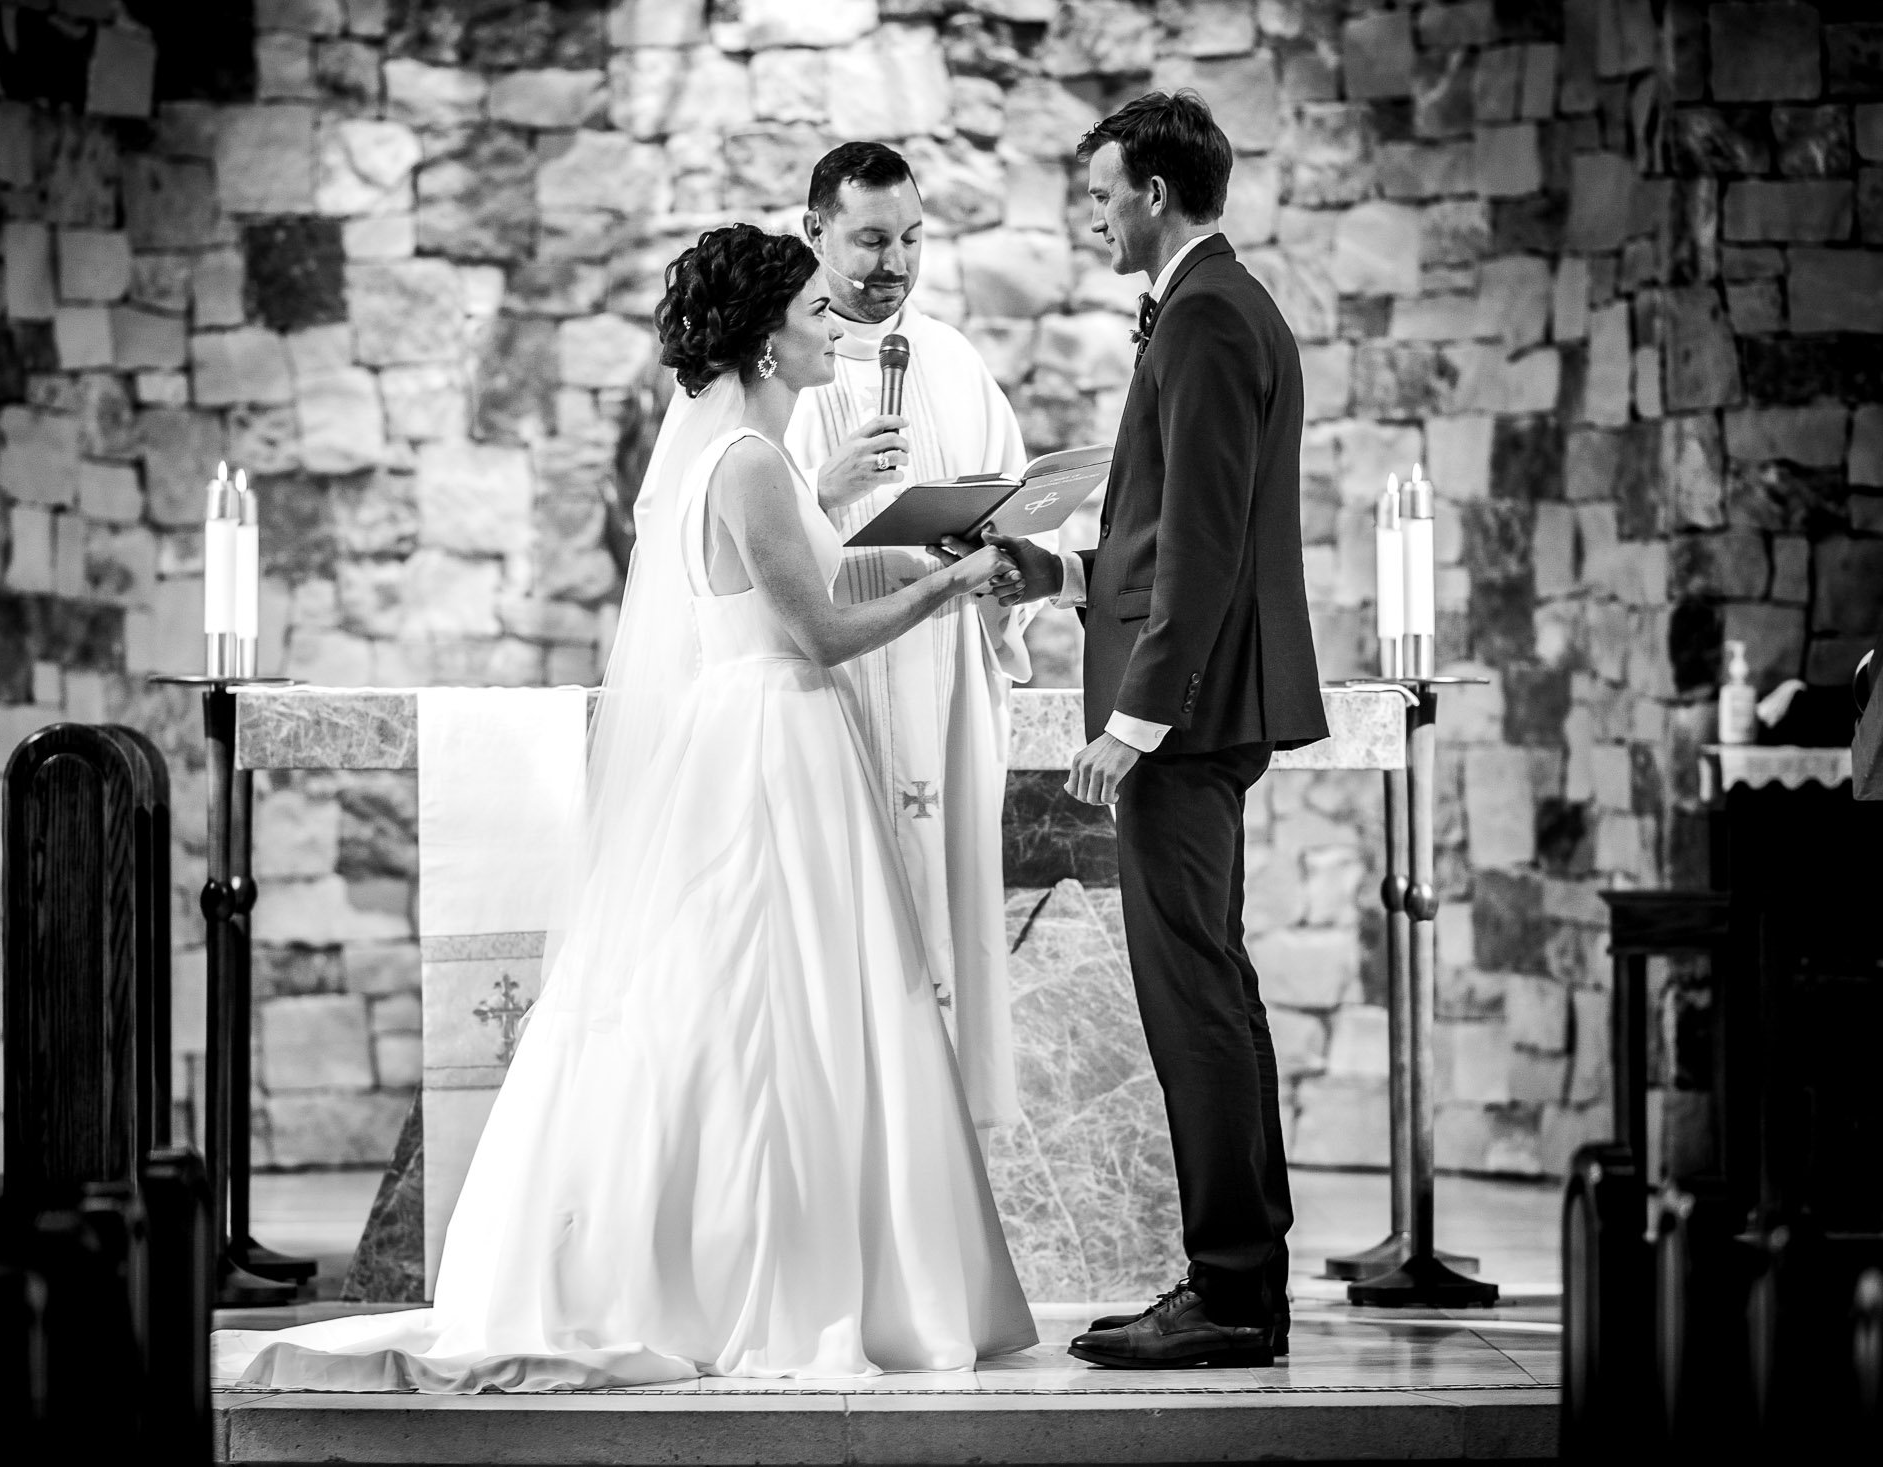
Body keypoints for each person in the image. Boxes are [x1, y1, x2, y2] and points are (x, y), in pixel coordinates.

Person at [214, 224, 1037, 1392]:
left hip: (771, 733)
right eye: (814, 314)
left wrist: (902, 557)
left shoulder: (756, 455)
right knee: (772, 1005)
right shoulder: (749, 464)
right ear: (763, 340)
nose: (834, 330)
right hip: (770, 745)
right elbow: (818, 633)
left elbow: (798, 591)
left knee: (777, 1004)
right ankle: (769, 1281)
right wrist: (955, 584)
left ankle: (781, 1265)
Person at [990, 91, 1329, 1370]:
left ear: (1151, 194)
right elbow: (1154, 533)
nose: (1088, 219)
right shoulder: (1211, 310)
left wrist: (1134, 718)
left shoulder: (1201, 317)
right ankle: (1241, 1285)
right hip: (1195, 706)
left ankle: (1230, 1294)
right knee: (1211, 988)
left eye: (1098, 195)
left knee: (1190, 995)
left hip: (1182, 720)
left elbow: (1203, 543)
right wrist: (1060, 577)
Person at [784, 142, 1030, 1136]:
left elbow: (1016, 500)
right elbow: (734, 533)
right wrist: (825, 493)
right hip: (835, 683)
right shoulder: (781, 363)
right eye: (871, 240)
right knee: (852, 922)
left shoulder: (955, 361)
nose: (895, 262)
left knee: (945, 910)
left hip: (944, 676)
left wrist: (1006, 546)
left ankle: (940, 1153)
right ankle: (855, 1140)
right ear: (815, 233)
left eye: (913, 238)